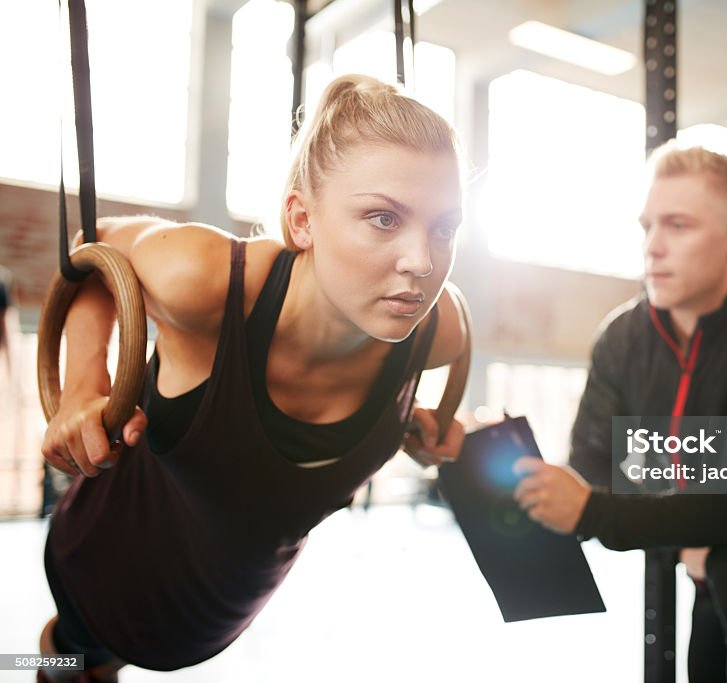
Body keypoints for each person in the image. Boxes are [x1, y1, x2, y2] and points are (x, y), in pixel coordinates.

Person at [37, 74, 467, 682]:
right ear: (302, 220)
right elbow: (93, 250)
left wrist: (404, 421)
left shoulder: (436, 333)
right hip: (102, 578)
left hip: (216, 619)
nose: (423, 262)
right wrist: (85, 387)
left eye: (444, 227)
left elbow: (301, 439)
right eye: (381, 219)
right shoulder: (205, 281)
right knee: (64, 661)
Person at [513, 145, 727, 682]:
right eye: (647, 226)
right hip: (706, 549)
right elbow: (593, 459)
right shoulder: (621, 338)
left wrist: (594, 513)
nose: (653, 247)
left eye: (678, 226)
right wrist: (487, 460)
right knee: (711, 635)